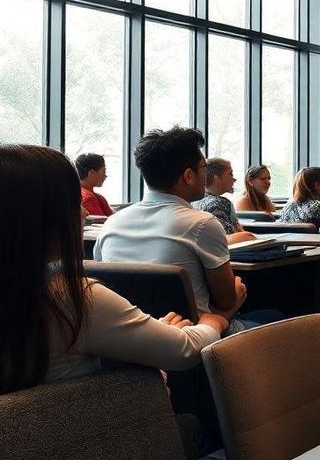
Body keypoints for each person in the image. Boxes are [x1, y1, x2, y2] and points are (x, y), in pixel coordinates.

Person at [0, 143, 233, 403]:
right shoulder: (72, 299)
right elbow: (183, 350)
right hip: (89, 437)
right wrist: (216, 320)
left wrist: (151, 332)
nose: (84, 211)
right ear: (40, 218)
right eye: (74, 201)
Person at [94, 127, 280, 335]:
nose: (206, 174)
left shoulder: (111, 224)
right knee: (279, 318)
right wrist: (237, 293)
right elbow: (227, 300)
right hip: (199, 337)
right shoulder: (202, 224)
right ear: (189, 176)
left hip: (134, 340)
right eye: (203, 167)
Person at [192, 158, 257, 244]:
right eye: (230, 174)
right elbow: (229, 237)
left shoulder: (195, 201)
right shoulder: (218, 203)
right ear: (217, 178)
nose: (234, 179)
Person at [74, 153, 114, 217]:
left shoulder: (99, 197)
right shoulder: (88, 198)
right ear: (91, 173)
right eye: (104, 171)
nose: (105, 176)